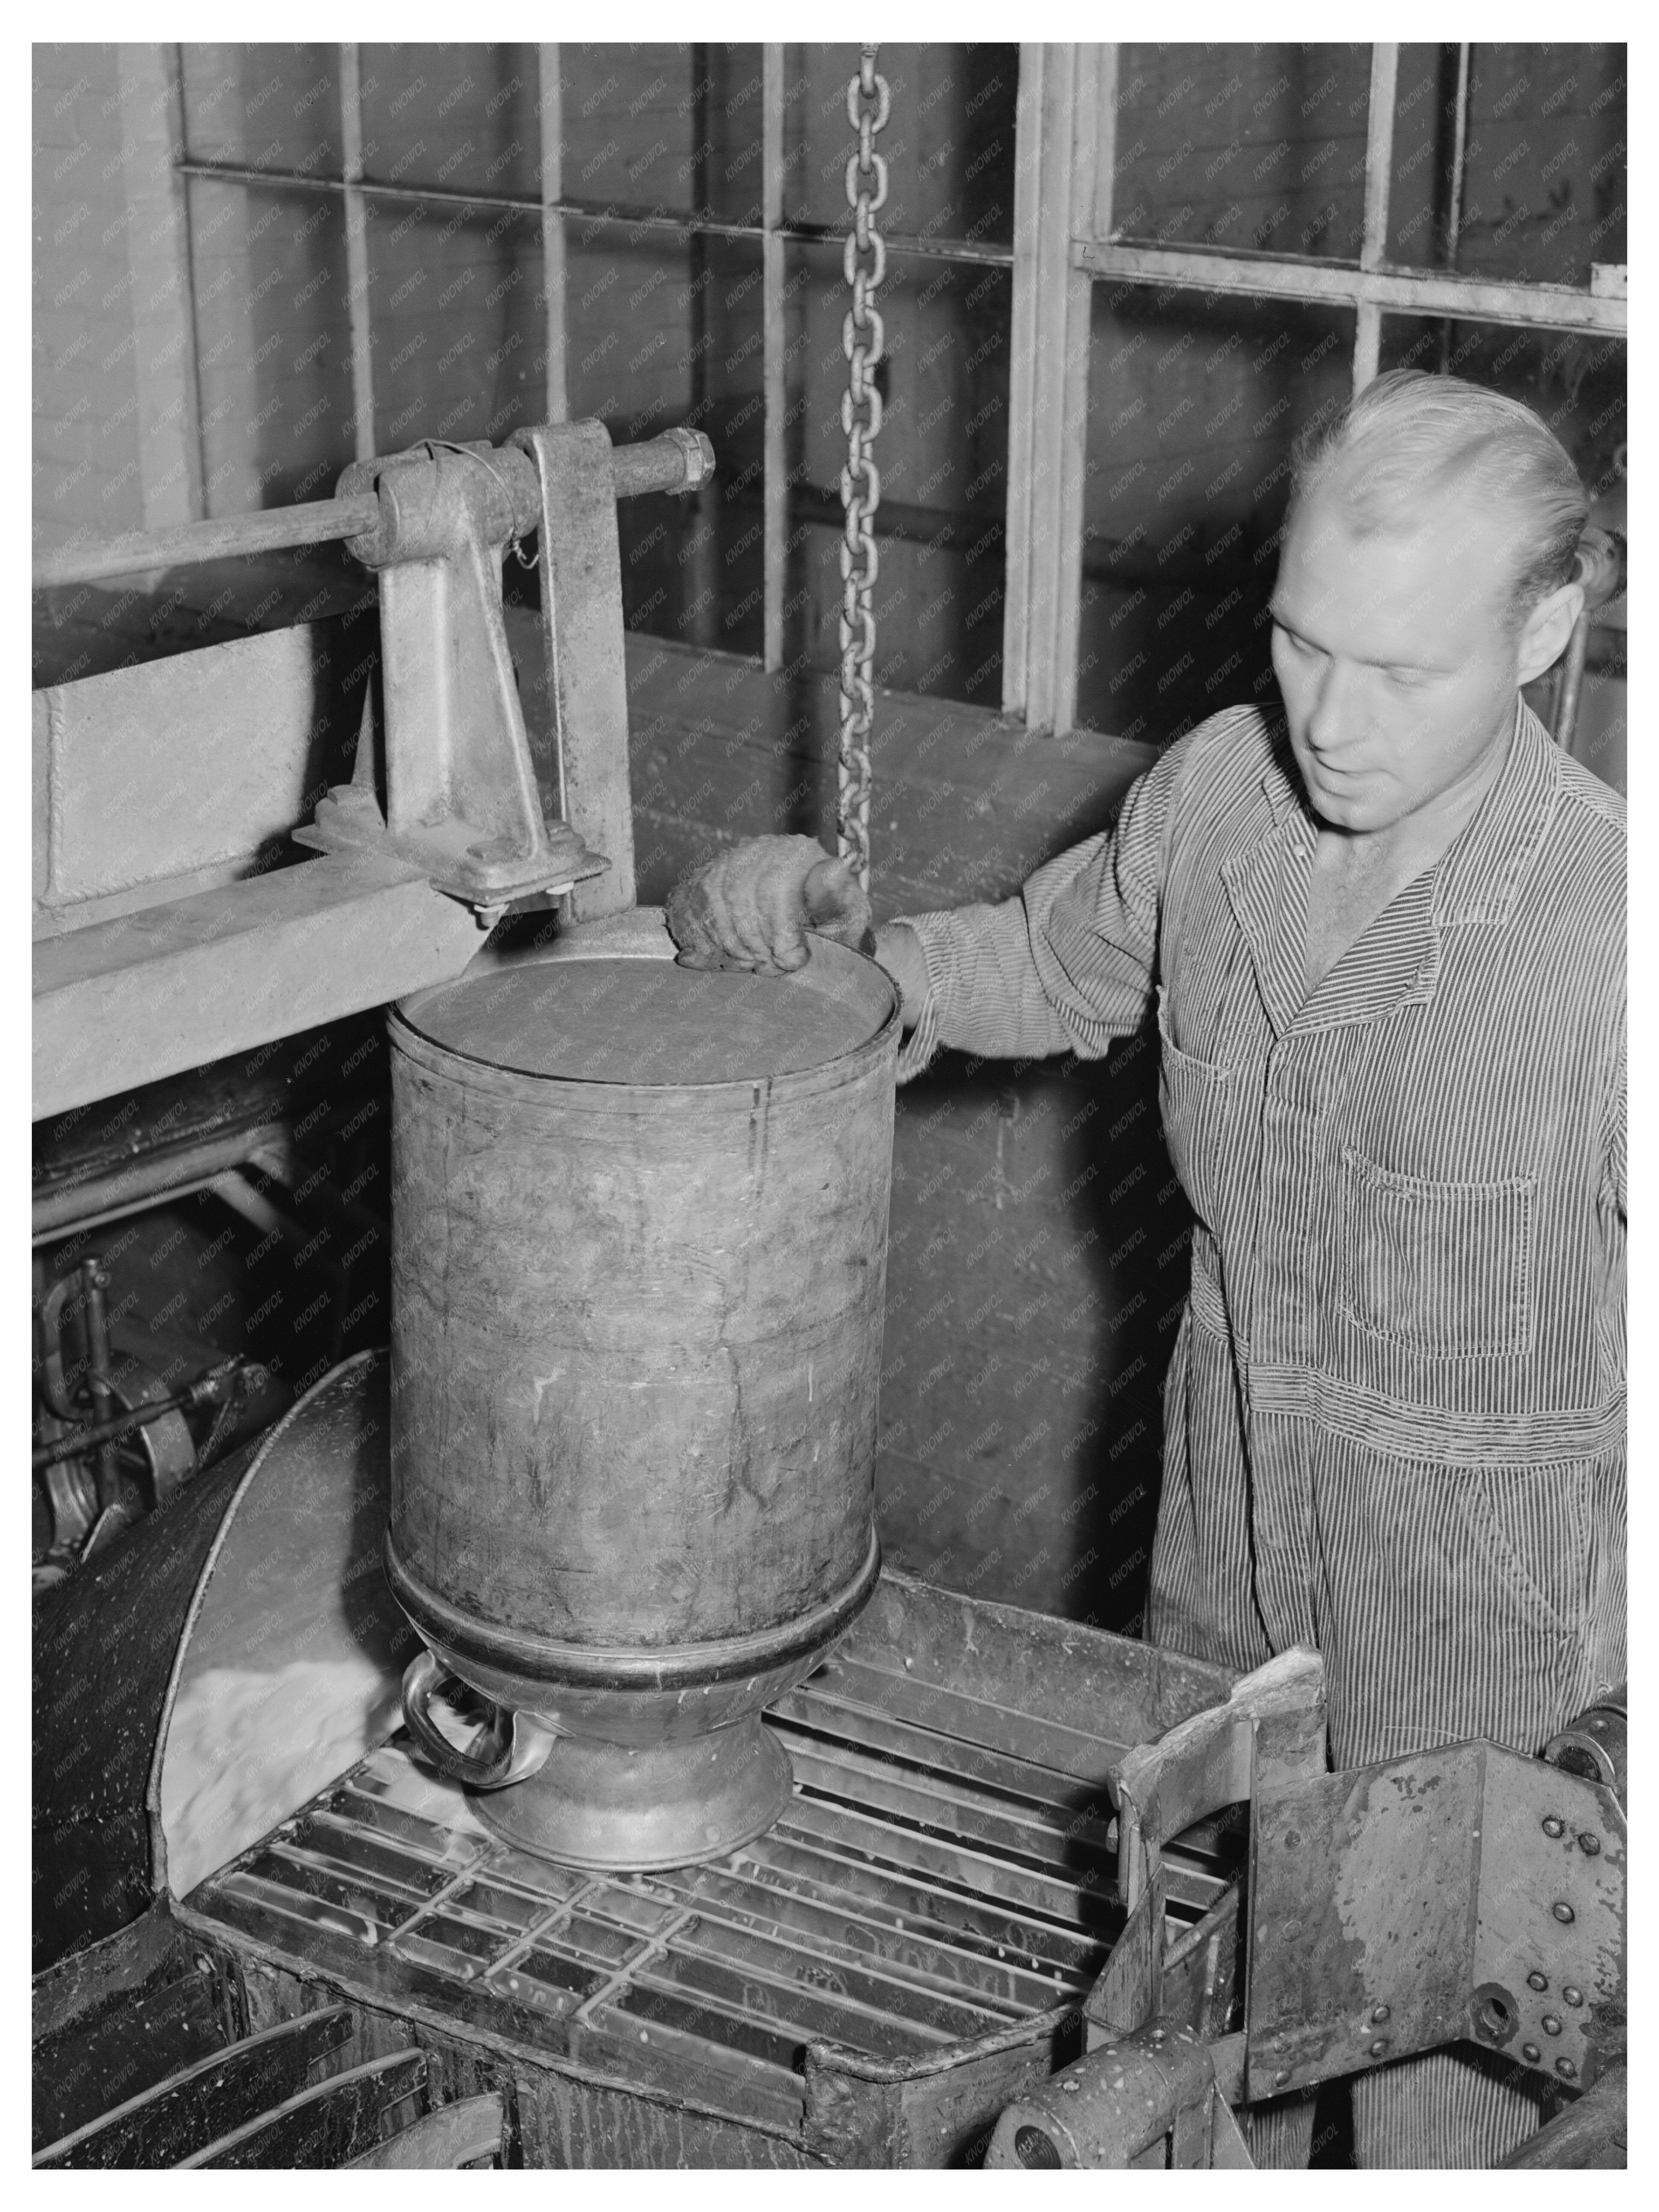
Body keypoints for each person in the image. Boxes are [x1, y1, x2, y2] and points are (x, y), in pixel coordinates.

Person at [664, 370, 1626, 2169]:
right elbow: (1051, 963)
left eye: (1401, 672)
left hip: (1490, 1644)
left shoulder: (1609, 935)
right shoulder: (1218, 802)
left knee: (1455, 2116)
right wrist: (846, 969)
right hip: (1225, 1567)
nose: (1327, 717)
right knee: (1195, 2050)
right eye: (1299, 642)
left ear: (1548, 629)